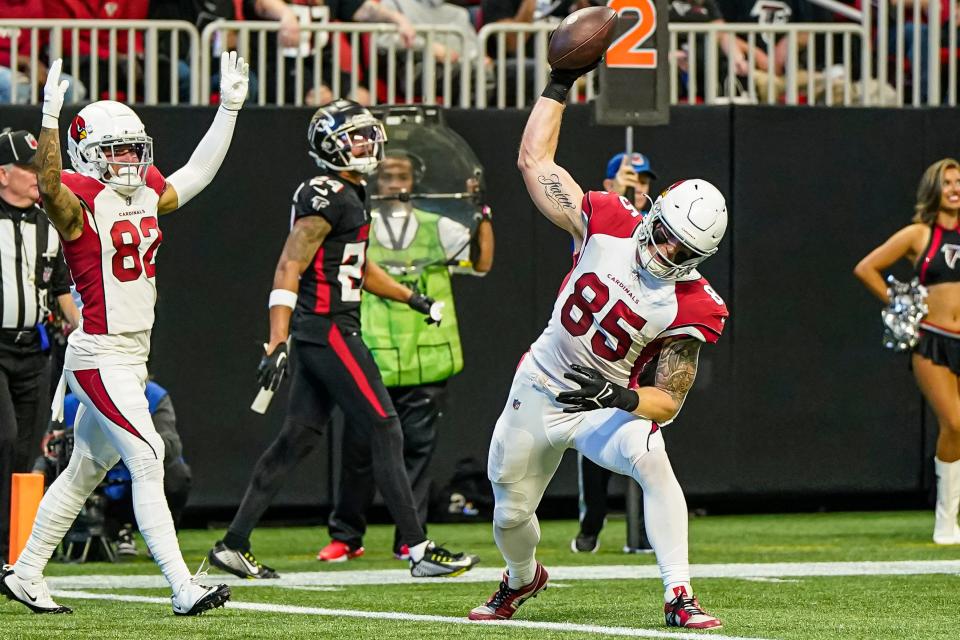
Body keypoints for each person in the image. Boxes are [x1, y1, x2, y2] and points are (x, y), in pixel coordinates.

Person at [467, 56, 729, 630]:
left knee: (653, 461)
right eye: (663, 234)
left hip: (601, 404)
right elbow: (534, 161)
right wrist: (559, 84)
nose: (665, 252)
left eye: (682, 251)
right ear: (653, 213)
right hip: (540, 383)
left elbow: (670, 400)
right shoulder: (610, 217)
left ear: (700, 258)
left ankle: (679, 595)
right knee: (510, 511)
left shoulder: (695, 304)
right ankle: (520, 579)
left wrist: (618, 396)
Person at [0, 51, 249, 616]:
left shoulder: (146, 192)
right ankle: (183, 586)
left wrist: (229, 107)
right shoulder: (77, 201)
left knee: (86, 468)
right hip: (97, 353)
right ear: (89, 153)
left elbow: (195, 175)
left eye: (134, 148)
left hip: (131, 355)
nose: (129, 160)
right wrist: (49, 123)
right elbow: (47, 183)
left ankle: (26, 570)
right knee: (147, 456)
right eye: (115, 150)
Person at [207, 100, 479, 580]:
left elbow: (356, 264)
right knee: (385, 428)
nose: (368, 143)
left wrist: (409, 298)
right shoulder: (326, 193)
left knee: (295, 441)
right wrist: (276, 339)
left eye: (367, 134)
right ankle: (417, 549)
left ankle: (233, 544)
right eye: (355, 136)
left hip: (325, 326)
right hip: (329, 327)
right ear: (329, 144)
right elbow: (290, 264)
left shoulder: (350, 193)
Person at [317, 150, 494, 562]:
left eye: (402, 175)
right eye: (388, 174)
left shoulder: (439, 226)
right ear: (376, 181)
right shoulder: (360, 224)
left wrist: (479, 210)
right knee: (358, 451)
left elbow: (482, 263)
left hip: (425, 356)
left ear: (414, 181)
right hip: (372, 354)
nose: (395, 181)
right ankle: (347, 535)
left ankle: (408, 538)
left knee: (416, 451)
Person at [854, 158, 960, 545]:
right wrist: (901, 308)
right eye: (947, 182)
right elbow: (867, 268)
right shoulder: (920, 234)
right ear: (934, 189)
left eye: (959, 181)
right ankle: (946, 523)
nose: (955, 188)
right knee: (955, 423)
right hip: (932, 338)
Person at [570, 151, 658, 555]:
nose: (639, 186)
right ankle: (593, 521)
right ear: (609, 184)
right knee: (592, 441)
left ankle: (644, 531)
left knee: (647, 440)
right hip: (601, 349)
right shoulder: (600, 218)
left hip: (642, 349)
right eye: (629, 178)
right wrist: (619, 199)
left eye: (643, 180)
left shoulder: (664, 229)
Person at [0, 129, 80, 565]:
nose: (37, 177)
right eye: (28, 169)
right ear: (2, 174)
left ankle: (13, 554)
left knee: (27, 450)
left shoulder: (48, 222)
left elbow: (62, 286)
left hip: (34, 349)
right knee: (5, 437)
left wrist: (87, 329)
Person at [56, 379, 192, 556]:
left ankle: (162, 532)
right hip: (100, 485)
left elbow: (171, 446)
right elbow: (52, 450)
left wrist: (127, 442)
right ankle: (114, 530)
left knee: (176, 474)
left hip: (140, 475)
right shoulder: (73, 402)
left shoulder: (153, 395)